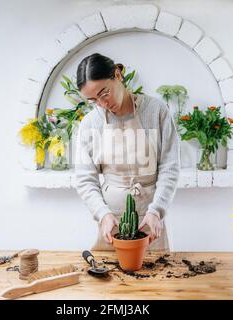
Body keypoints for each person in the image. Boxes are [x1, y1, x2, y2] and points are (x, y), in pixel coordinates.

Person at [75, 53, 180, 251]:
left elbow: (170, 167)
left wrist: (157, 210)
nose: (102, 103)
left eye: (104, 93)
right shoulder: (90, 124)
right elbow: (84, 179)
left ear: (117, 75)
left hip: (151, 219)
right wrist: (102, 214)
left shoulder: (156, 111)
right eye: (93, 100)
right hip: (111, 221)